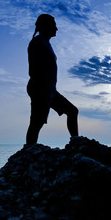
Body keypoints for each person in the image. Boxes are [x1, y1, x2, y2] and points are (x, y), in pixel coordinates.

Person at [26, 14, 79, 145]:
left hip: (50, 89)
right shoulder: (37, 43)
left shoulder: (45, 43)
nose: (56, 28)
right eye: (54, 25)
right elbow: (33, 70)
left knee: (72, 111)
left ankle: (76, 143)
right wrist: (42, 90)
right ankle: (28, 151)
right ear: (46, 26)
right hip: (41, 88)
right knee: (37, 122)